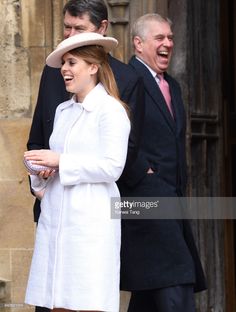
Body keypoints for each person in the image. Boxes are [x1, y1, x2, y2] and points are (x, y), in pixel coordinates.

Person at [24, 32, 130, 312]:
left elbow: (112, 166)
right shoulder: (62, 111)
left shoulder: (111, 111)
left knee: (88, 302)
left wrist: (61, 160)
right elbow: (56, 168)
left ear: (93, 67)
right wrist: (40, 173)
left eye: (72, 63)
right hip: (57, 220)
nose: (64, 70)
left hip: (91, 224)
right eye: (64, 64)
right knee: (57, 303)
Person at [119, 13, 207, 312]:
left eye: (170, 37)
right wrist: (141, 170)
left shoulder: (173, 86)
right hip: (143, 199)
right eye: (160, 38)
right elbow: (115, 133)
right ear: (138, 43)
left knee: (151, 286)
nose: (167, 43)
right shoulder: (126, 79)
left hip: (171, 198)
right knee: (176, 276)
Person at [27, 0, 144, 224]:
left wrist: (62, 164)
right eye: (67, 27)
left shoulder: (128, 80)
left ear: (102, 28)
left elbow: (125, 154)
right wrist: (40, 174)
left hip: (96, 211)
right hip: (51, 206)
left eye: (79, 28)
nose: (70, 35)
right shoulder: (53, 74)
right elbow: (38, 138)